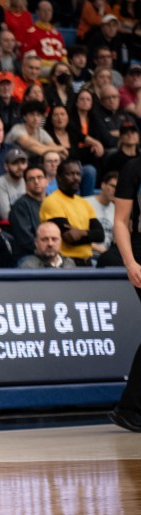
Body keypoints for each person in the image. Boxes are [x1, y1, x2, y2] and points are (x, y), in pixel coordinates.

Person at [109, 154, 141, 431]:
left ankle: (130, 408)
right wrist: (130, 262)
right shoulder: (134, 168)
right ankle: (130, 408)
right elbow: (121, 221)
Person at [40, 159, 103, 266]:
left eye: (78, 174)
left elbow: (100, 235)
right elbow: (70, 238)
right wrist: (89, 233)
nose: (75, 178)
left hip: (87, 262)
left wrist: (81, 233)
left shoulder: (84, 203)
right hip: (65, 263)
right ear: (59, 178)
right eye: (70, 174)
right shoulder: (52, 201)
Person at [0, 147, 29, 222]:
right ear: (6, 166)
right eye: (15, 163)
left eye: (23, 163)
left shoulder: (29, 179)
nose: (20, 167)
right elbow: (5, 215)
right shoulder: (0, 183)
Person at [85, 170, 116, 257]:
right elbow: (78, 235)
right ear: (103, 185)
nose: (115, 190)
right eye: (112, 186)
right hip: (87, 254)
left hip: (107, 257)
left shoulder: (117, 210)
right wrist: (103, 251)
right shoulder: (85, 203)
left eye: (119, 188)